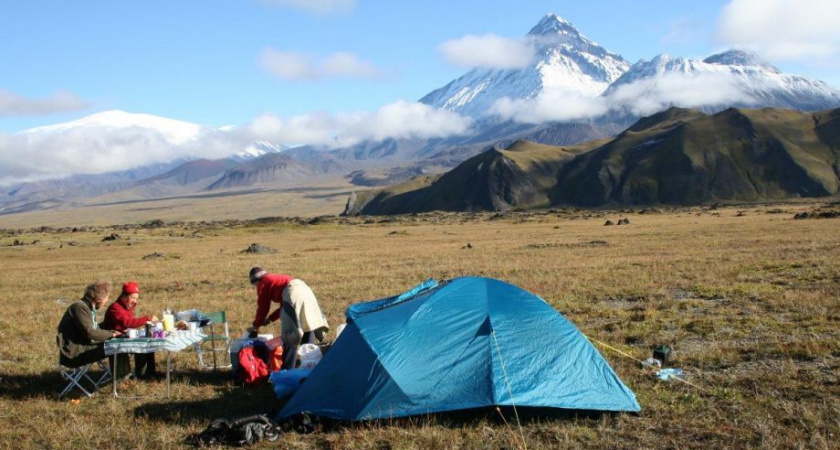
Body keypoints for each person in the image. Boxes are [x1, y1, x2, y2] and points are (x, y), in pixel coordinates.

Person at [248, 267, 329, 369]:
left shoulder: (263, 283)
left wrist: (256, 325)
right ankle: (309, 364)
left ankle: (288, 368)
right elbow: (284, 306)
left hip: (293, 294)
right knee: (308, 324)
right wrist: (270, 319)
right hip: (305, 290)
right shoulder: (276, 280)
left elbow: (263, 307)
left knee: (290, 335)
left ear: (255, 281)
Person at [57, 280, 123, 369]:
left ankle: (119, 374)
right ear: (99, 299)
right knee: (116, 346)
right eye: (106, 298)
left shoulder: (87, 307)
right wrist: (112, 334)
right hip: (75, 353)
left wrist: (113, 328)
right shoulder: (80, 308)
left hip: (82, 346)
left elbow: (95, 329)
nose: (107, 300)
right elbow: (90, 332)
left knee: (116, 344)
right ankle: (120, 377)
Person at [101, 281, 160, 380]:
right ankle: (142, 374)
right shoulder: (115, 308)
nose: (135, 301)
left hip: (122, 336)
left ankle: (150, 371)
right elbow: (127, 323)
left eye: (136, 298)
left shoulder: (127, 307)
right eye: (133, 298)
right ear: (124, 296)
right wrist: (147, 319)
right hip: (112, 340)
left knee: (147, 340)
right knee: (142, 344)